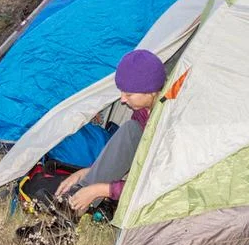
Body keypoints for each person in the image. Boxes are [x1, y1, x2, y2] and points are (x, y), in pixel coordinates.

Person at [54, 48, 166, 217]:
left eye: (129, 94)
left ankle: (75, 208)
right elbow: (124, 156)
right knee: (130, 129)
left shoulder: (171, 123)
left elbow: (159, 185)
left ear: (150, 91)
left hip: (167, 190)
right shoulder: (142, 113)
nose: (122, 99)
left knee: (131, 130)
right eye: (121, 92)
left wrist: (100, 190)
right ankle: (74, 205)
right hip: (144, 174)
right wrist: (86, 173)